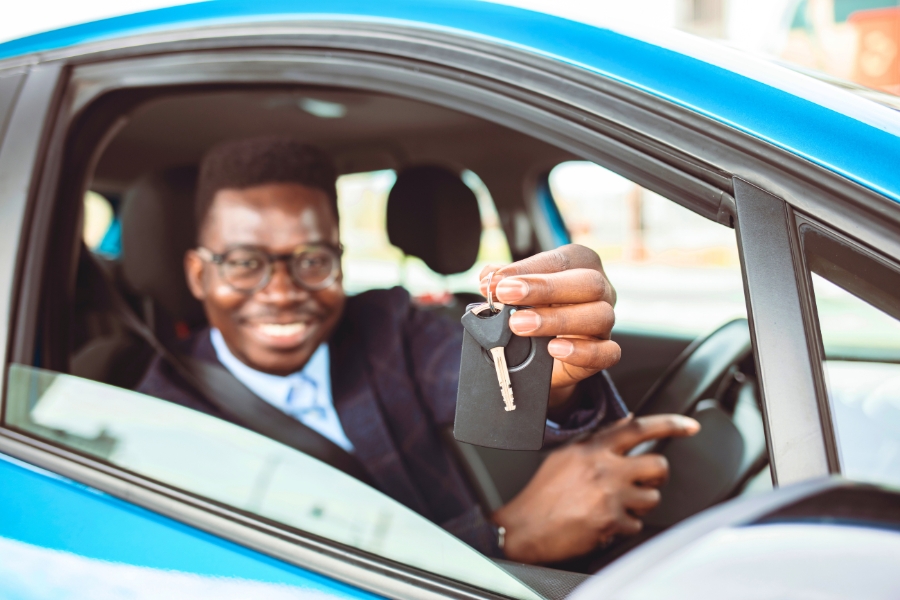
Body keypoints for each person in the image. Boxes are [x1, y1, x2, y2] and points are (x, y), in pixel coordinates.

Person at [137, 136, 700, 565]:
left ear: (340, 259)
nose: (282, 292)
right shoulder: (157, 424)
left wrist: (550, 370)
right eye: (244, 263)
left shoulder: (387, 325)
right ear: (197, 273)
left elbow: (483, 375)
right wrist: (504, 538)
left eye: (311, 260)